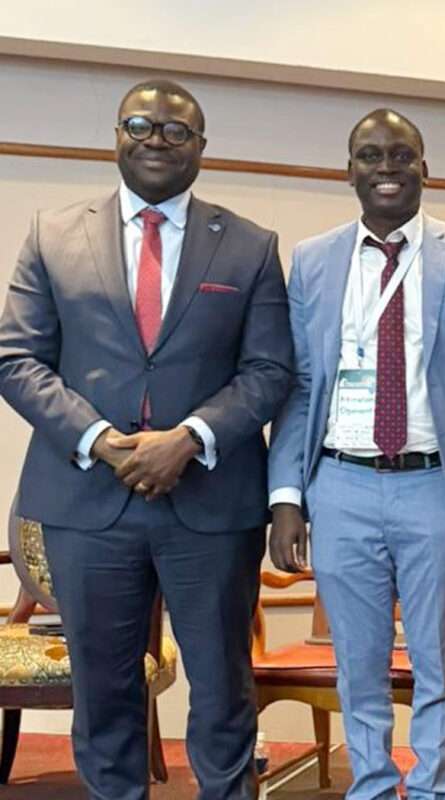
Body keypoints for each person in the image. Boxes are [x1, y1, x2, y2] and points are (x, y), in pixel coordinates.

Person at [0, 79, 293, 799]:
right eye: (140, 125)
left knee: (222, 690)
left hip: (212, 506)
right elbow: (16, 358)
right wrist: (100, 439)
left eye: (176, 130)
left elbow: (270, 370)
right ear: (116, 135)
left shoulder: (250, 246)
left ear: (201, 147)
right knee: (104, 696)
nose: (156, 139)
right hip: (87, 504)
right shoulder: (53, 234)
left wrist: (189, 438)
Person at [267, 108, 445, 800]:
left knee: (438, 663)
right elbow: (299, 387)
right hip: (339, 484)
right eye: (370, 156)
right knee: (359, 665)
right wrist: (286, 497)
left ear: (424, 169)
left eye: (401, 156)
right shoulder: (313, 261)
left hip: (435, 486)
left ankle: (434, 790)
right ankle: (370, 787)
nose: (386, 169)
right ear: (349, 170)